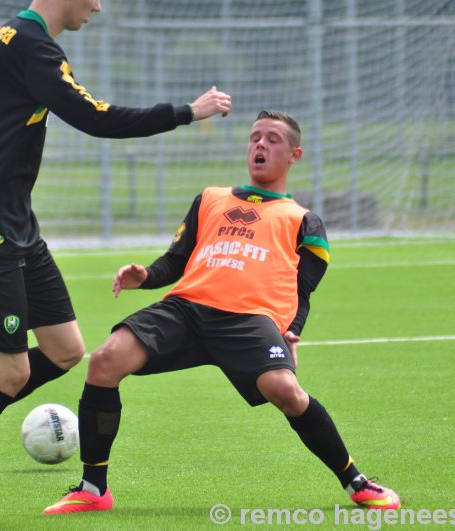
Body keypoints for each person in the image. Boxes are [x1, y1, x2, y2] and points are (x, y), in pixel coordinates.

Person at [0, 0, 232, 525]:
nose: (98, 5)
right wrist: (186, 112)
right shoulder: (31, 47)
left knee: (65, 349)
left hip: (13, 227)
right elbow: (96, 117)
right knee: (8, 372)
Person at [42, 110, 401, 515]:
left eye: (272, 139)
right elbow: (176, 261)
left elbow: (302, 289)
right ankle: (94, 488)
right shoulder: (210, 199)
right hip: (186, 309)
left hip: (248, 321)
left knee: (285, 391)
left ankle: (356, 481)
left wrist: (291, 330)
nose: (260, 145)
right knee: (104, 361)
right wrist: (145, 275)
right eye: (254, 137)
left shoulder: (303, 220)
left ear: (294, 155)